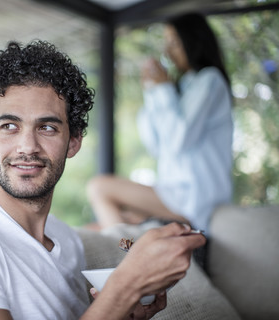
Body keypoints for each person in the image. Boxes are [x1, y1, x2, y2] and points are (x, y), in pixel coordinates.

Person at [0, 40, 206, 320]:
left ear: (73, 142)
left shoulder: (66, 239)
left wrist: (124, 309)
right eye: (9, 126)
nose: (27, 146)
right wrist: (125, 287)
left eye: (47, 128)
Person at [87, 12, 233, 236]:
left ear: (193, 40)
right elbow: (155, 145)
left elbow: (179, 141)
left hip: (194, 199)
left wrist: (163, 90)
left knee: (99, 188)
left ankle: (125, 253)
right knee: (104, 223)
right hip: (174, 195)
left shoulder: (210, 81)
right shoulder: (183, 86)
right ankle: (128, 250)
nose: (167, 51)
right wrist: (152, 91)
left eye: (174, 42)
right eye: (166, 43)